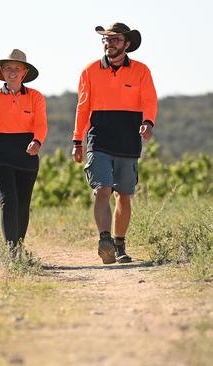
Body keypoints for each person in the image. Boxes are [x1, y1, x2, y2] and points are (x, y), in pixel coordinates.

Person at [72, 23, 158, 264]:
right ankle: (105, 239)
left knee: (124, 195)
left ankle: (119, 244)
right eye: (106, 40)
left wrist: (148, 122)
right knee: (102, 189)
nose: (109, 44)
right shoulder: (90, 71)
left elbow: (150, 100)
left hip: (129, 141)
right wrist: (77, 140)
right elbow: (82, 107)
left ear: (126, 44)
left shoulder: (141, 71)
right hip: (99, 139)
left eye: (115, 40)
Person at [0, 49, 47, 258]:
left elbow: (41, 124)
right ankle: (11, 251)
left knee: (23, 202)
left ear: (24, 72)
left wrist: (37, 141)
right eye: (8, 68)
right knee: (8, 199)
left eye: (17, 68)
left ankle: (18, 248)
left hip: (27, 151)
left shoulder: (36, 97)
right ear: (1, 71)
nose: (12, 72)